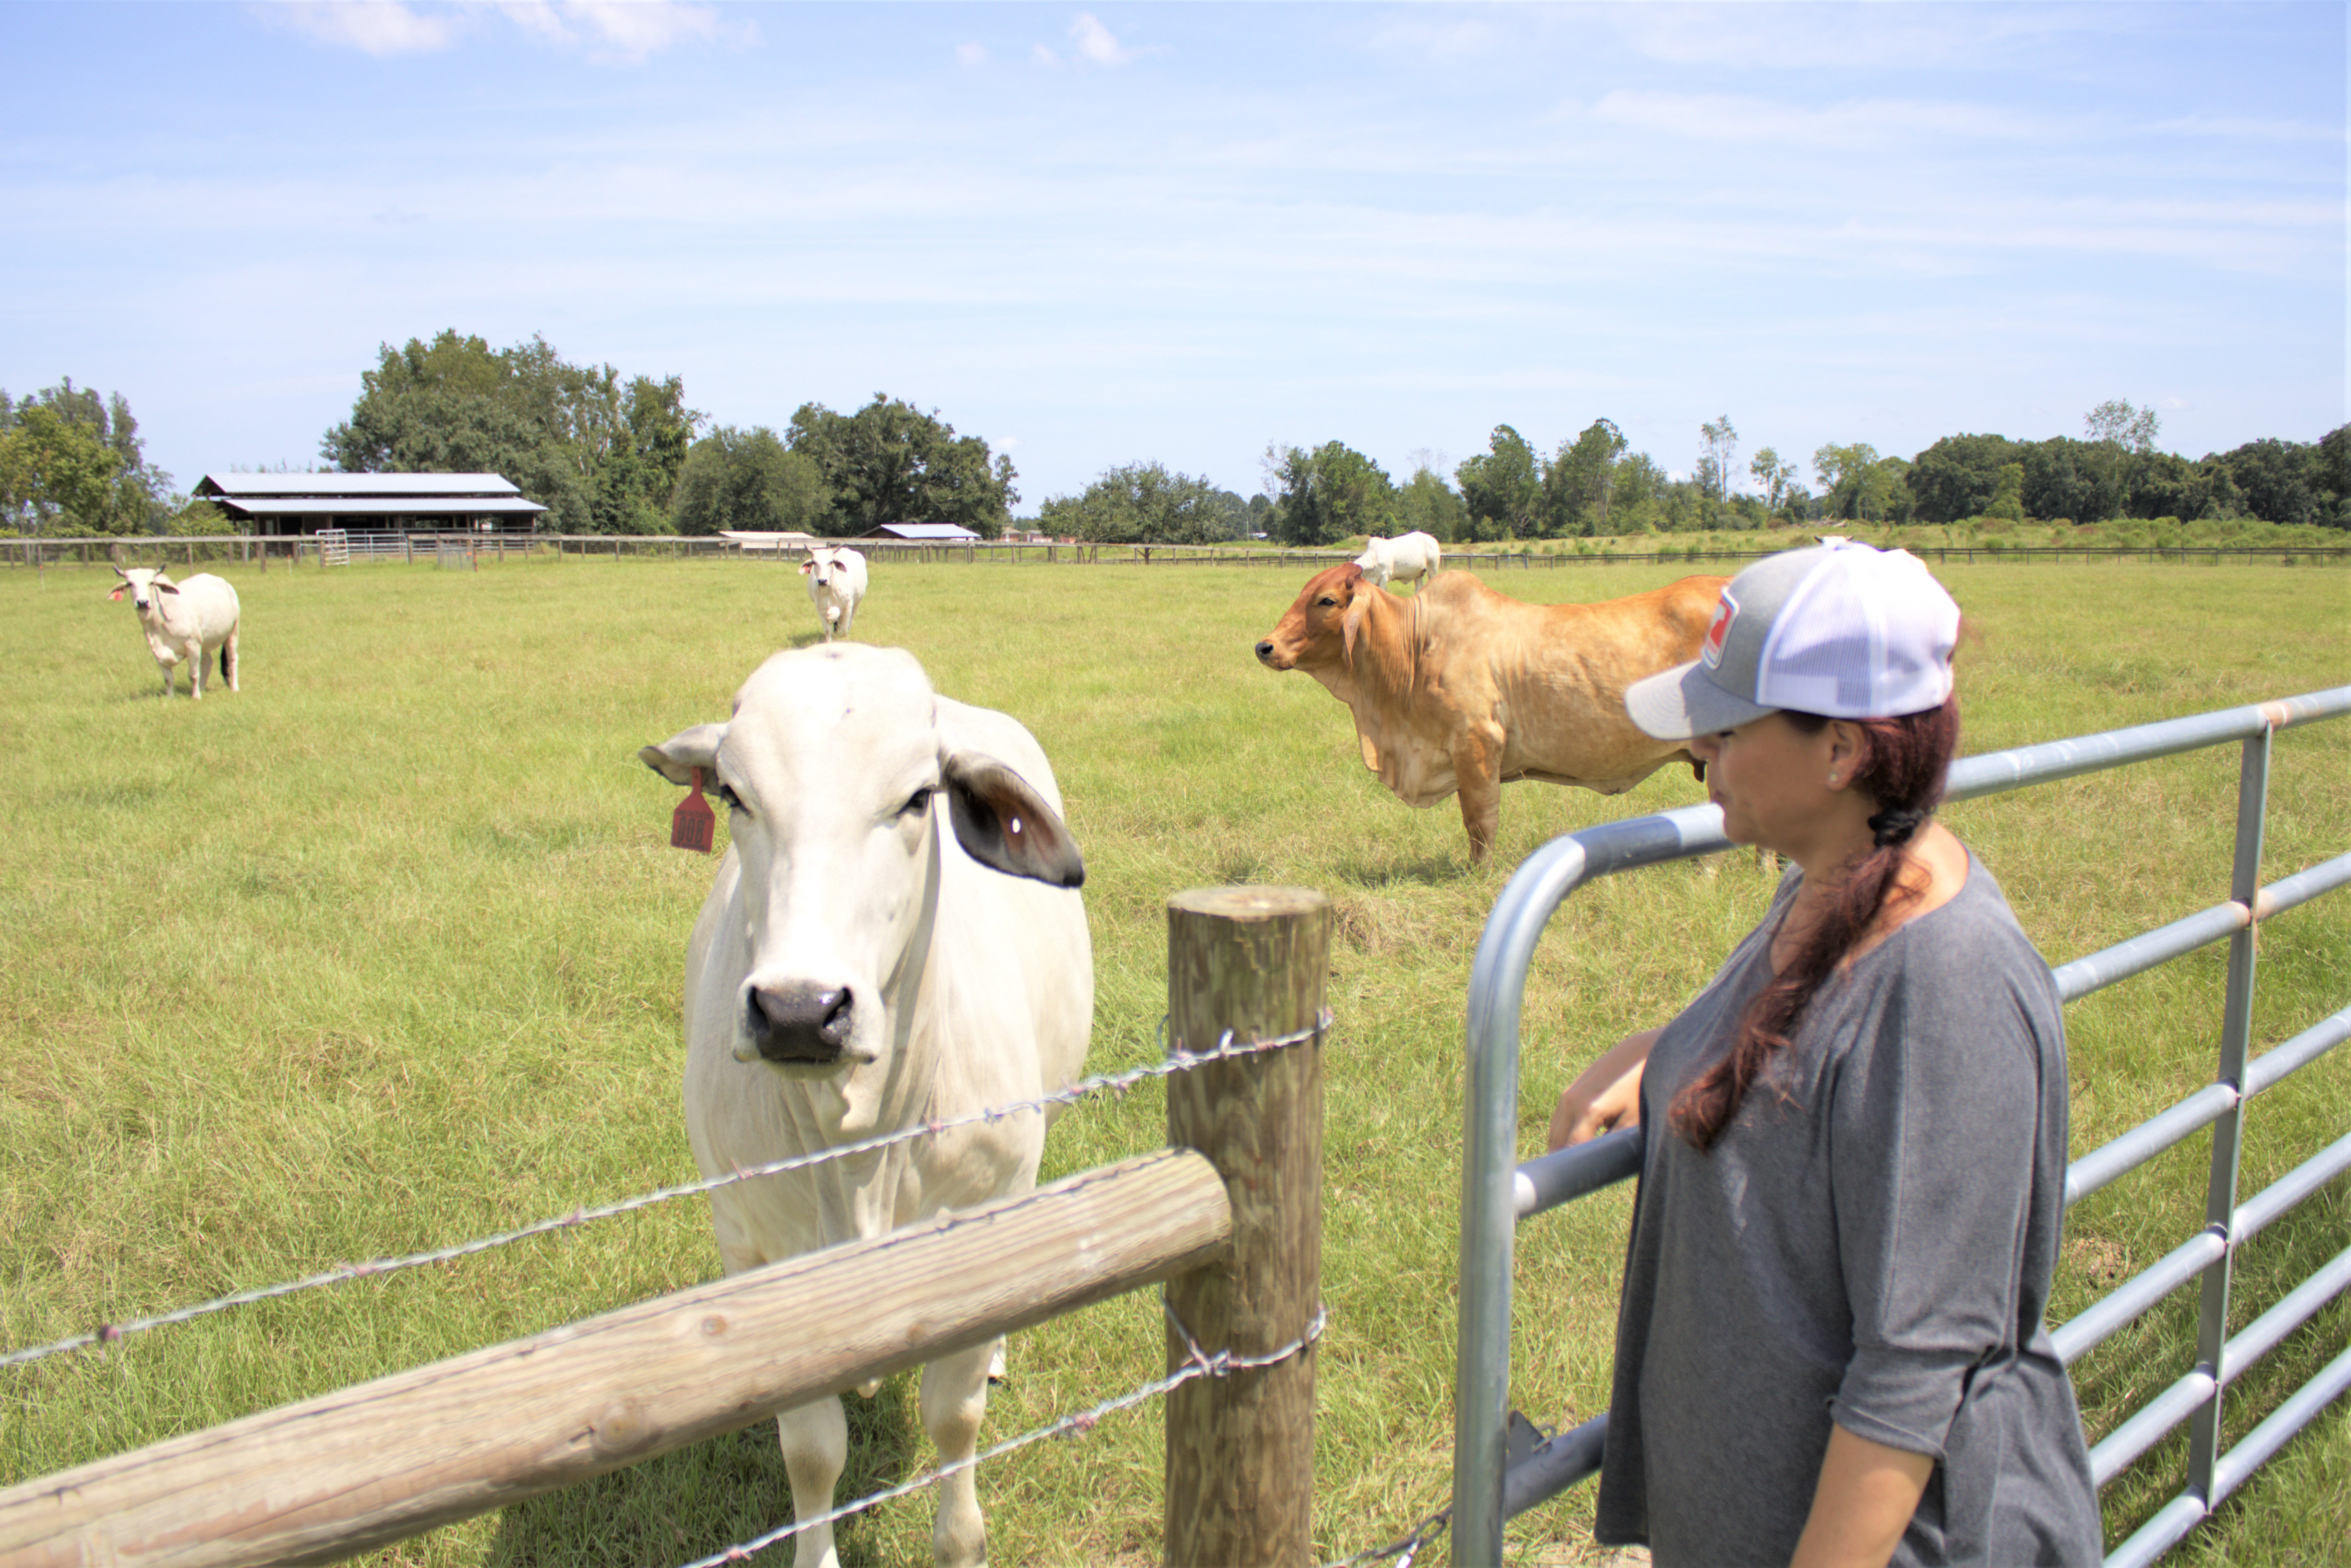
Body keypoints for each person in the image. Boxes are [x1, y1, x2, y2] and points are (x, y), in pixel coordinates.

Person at [1549, 541, 2102, 1567]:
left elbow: (1913, 1372)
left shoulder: (1948, 981)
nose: (1699, 753)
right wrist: (1669, 1050)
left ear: (1841, 752)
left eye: (1724, 728)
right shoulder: (1831, 880)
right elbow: (1794, 1045)